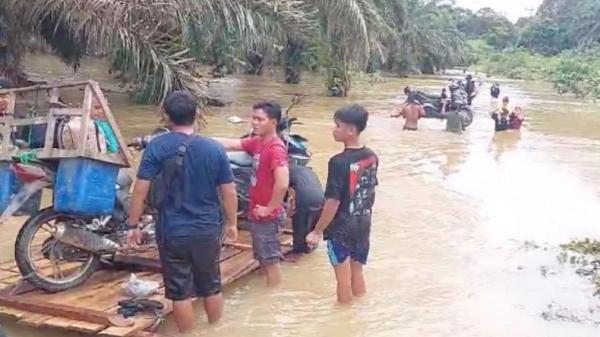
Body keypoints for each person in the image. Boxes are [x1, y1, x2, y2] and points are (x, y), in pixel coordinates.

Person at [126, 91, 238, 332]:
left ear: (166, 116)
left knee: (180, 292)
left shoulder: (157, 147)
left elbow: (139, 191)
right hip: (208, 228)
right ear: (196, 114)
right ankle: (214, 331)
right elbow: (229, 191)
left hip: (172, 230)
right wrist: (232, 224)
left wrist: (133, 225)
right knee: (211, 285)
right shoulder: (213, 149)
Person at [306, 104, 379, 305]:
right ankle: (359, 312)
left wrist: (317, 231)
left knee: (342, 279)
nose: (333, 129)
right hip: (363, 222)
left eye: (337, 125)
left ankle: (345, 319)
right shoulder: (372, 156)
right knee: (357, 271)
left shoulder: (338, 162)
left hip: (342, 227)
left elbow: (332, 201)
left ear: (351, 130)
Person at [213, 101, 289, 287]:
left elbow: (283, 182)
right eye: (253, 118)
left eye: (260, 119)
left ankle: (272, 300)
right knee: (263, 258)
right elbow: (232, 143)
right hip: (257, 212)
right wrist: (198, 140)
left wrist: (270, 208)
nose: (254, 122)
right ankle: (264, 295)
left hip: (267, 216)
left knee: (270, 261)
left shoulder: (275, 148)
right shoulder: (258, 142)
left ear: (273, 122)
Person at [287, 164, 324, 260]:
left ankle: (297, 253)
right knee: (312, 223)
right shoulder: (306, 170)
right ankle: (310, 247)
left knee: (299, 224)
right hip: (320, 196)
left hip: (305, 198)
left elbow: (282, 188)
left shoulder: (282, 170)